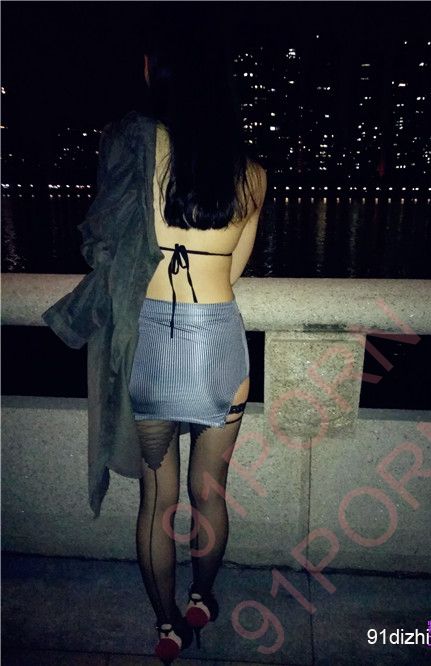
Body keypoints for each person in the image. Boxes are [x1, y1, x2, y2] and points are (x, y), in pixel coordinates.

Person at [130, 29, 267, 664]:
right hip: (218, 346)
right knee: (209, 491)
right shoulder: (252, 174)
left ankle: (166, 627)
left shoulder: (142, 150)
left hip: (151, 347)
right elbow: (232, 273)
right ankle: (201, 598)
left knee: (156, 499)